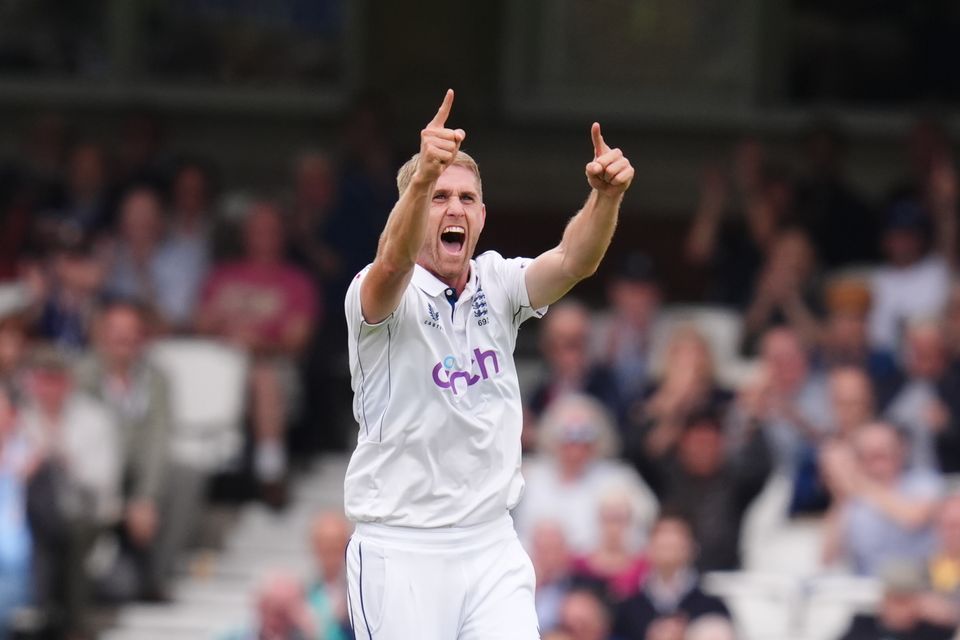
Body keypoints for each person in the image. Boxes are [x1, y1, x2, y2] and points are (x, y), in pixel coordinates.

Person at [342, 89, 634, 640]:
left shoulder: (497, 282)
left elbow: (575, 260)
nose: (454, 208)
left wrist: (605, 199)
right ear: (408, 209)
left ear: (482, 216)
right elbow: (392, 260)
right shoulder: (378, 293)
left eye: (466, 198)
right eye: (437, 196)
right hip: (402, 547)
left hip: (491, 543)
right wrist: (421, 175)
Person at [197, 201, 319, 501]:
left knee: (262, 377)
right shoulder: (222, 274)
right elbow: (198, 325)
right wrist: (223, 330)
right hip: (219, 366)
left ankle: (270, 470)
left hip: (274, 371)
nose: (263, 235)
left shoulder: (297, 281)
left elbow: (297, 342)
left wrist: (257, 343)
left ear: (282, 235)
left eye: (270, 229)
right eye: (256, 229)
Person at [74, 300, 174, 600]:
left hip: (137, 481)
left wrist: (145, 498)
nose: (124, 340)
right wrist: (116, 502)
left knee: (184, 474)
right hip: (94, 482)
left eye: (132, 332)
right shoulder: (80, 375)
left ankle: (158, 575)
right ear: (101, 334)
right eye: (116, 331)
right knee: (118, 588)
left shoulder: (155, 379)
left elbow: (159, 438)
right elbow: (81, 444)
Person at [19, 346, 121, 638]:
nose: (48, 387)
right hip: (29, 517)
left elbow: (104, 481)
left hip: (84, 513)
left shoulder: (93, 417)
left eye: (55, 379)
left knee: (67, 523)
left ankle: (69, 622)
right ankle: (37, 612)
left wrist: (62, 454)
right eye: (41, 379)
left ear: (69, 382)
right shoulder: (18, 414)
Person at [629, 408, 771, 572]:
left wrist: (751, 418)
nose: (703, 451)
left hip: (724, 574)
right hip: (676, 576)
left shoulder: (737, 483)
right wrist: (669, 420)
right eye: (697, 443)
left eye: (709, 443)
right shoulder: (668, 477)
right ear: (682, 444)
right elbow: (637, 453)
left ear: (721, 445)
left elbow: (763, 468)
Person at [515, 394, 655, 556]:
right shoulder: (529, 475)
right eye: (568, 435)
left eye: (585, 436)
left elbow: (643, 533)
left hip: (598, 574)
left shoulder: (620, 478)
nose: (576, 447)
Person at [822, 422, 943, 576]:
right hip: (867, 588)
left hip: (918, 584)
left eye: (883, 451)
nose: (877, 459)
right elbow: (827, 558)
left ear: (901, 449)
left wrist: (858, 481)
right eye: (869, 453)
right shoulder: (852, 498)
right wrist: (841, 497)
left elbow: (914, 518)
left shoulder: (924, 483)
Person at [612, 514, 729, 640]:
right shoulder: (629, 609)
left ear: (693, 548)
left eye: (677, 537)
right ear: (648, 547)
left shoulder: (711, 606)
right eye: (661, 536)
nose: (668, 541)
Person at [591, 252, 660, 403]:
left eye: (643, 291)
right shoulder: (597, 329)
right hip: (605, 406)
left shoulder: (668, 331)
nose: (637, 299)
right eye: (630, 290)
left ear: (655, 294)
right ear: (614, 292)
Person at [837, 561, 955, 640]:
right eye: (895, 600)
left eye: (905, 601)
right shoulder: (862, 625)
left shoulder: (934, 633)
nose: (900, 609)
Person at [572, 489, 650, 601]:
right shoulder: (579, 565)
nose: (613, 527)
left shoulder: (642, 566)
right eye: (608, 519)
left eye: (619, 519)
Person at [219, 572, 317, 640]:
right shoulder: (233, 636)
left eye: (286, 615)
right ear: (261, 607)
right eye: (276, 612)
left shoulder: (301, 635)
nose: (279, 622)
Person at [307, 511, 353, 640]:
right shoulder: (302, 592)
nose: (330, 556)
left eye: (335, 548)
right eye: (325, 548)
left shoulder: (357, 593)